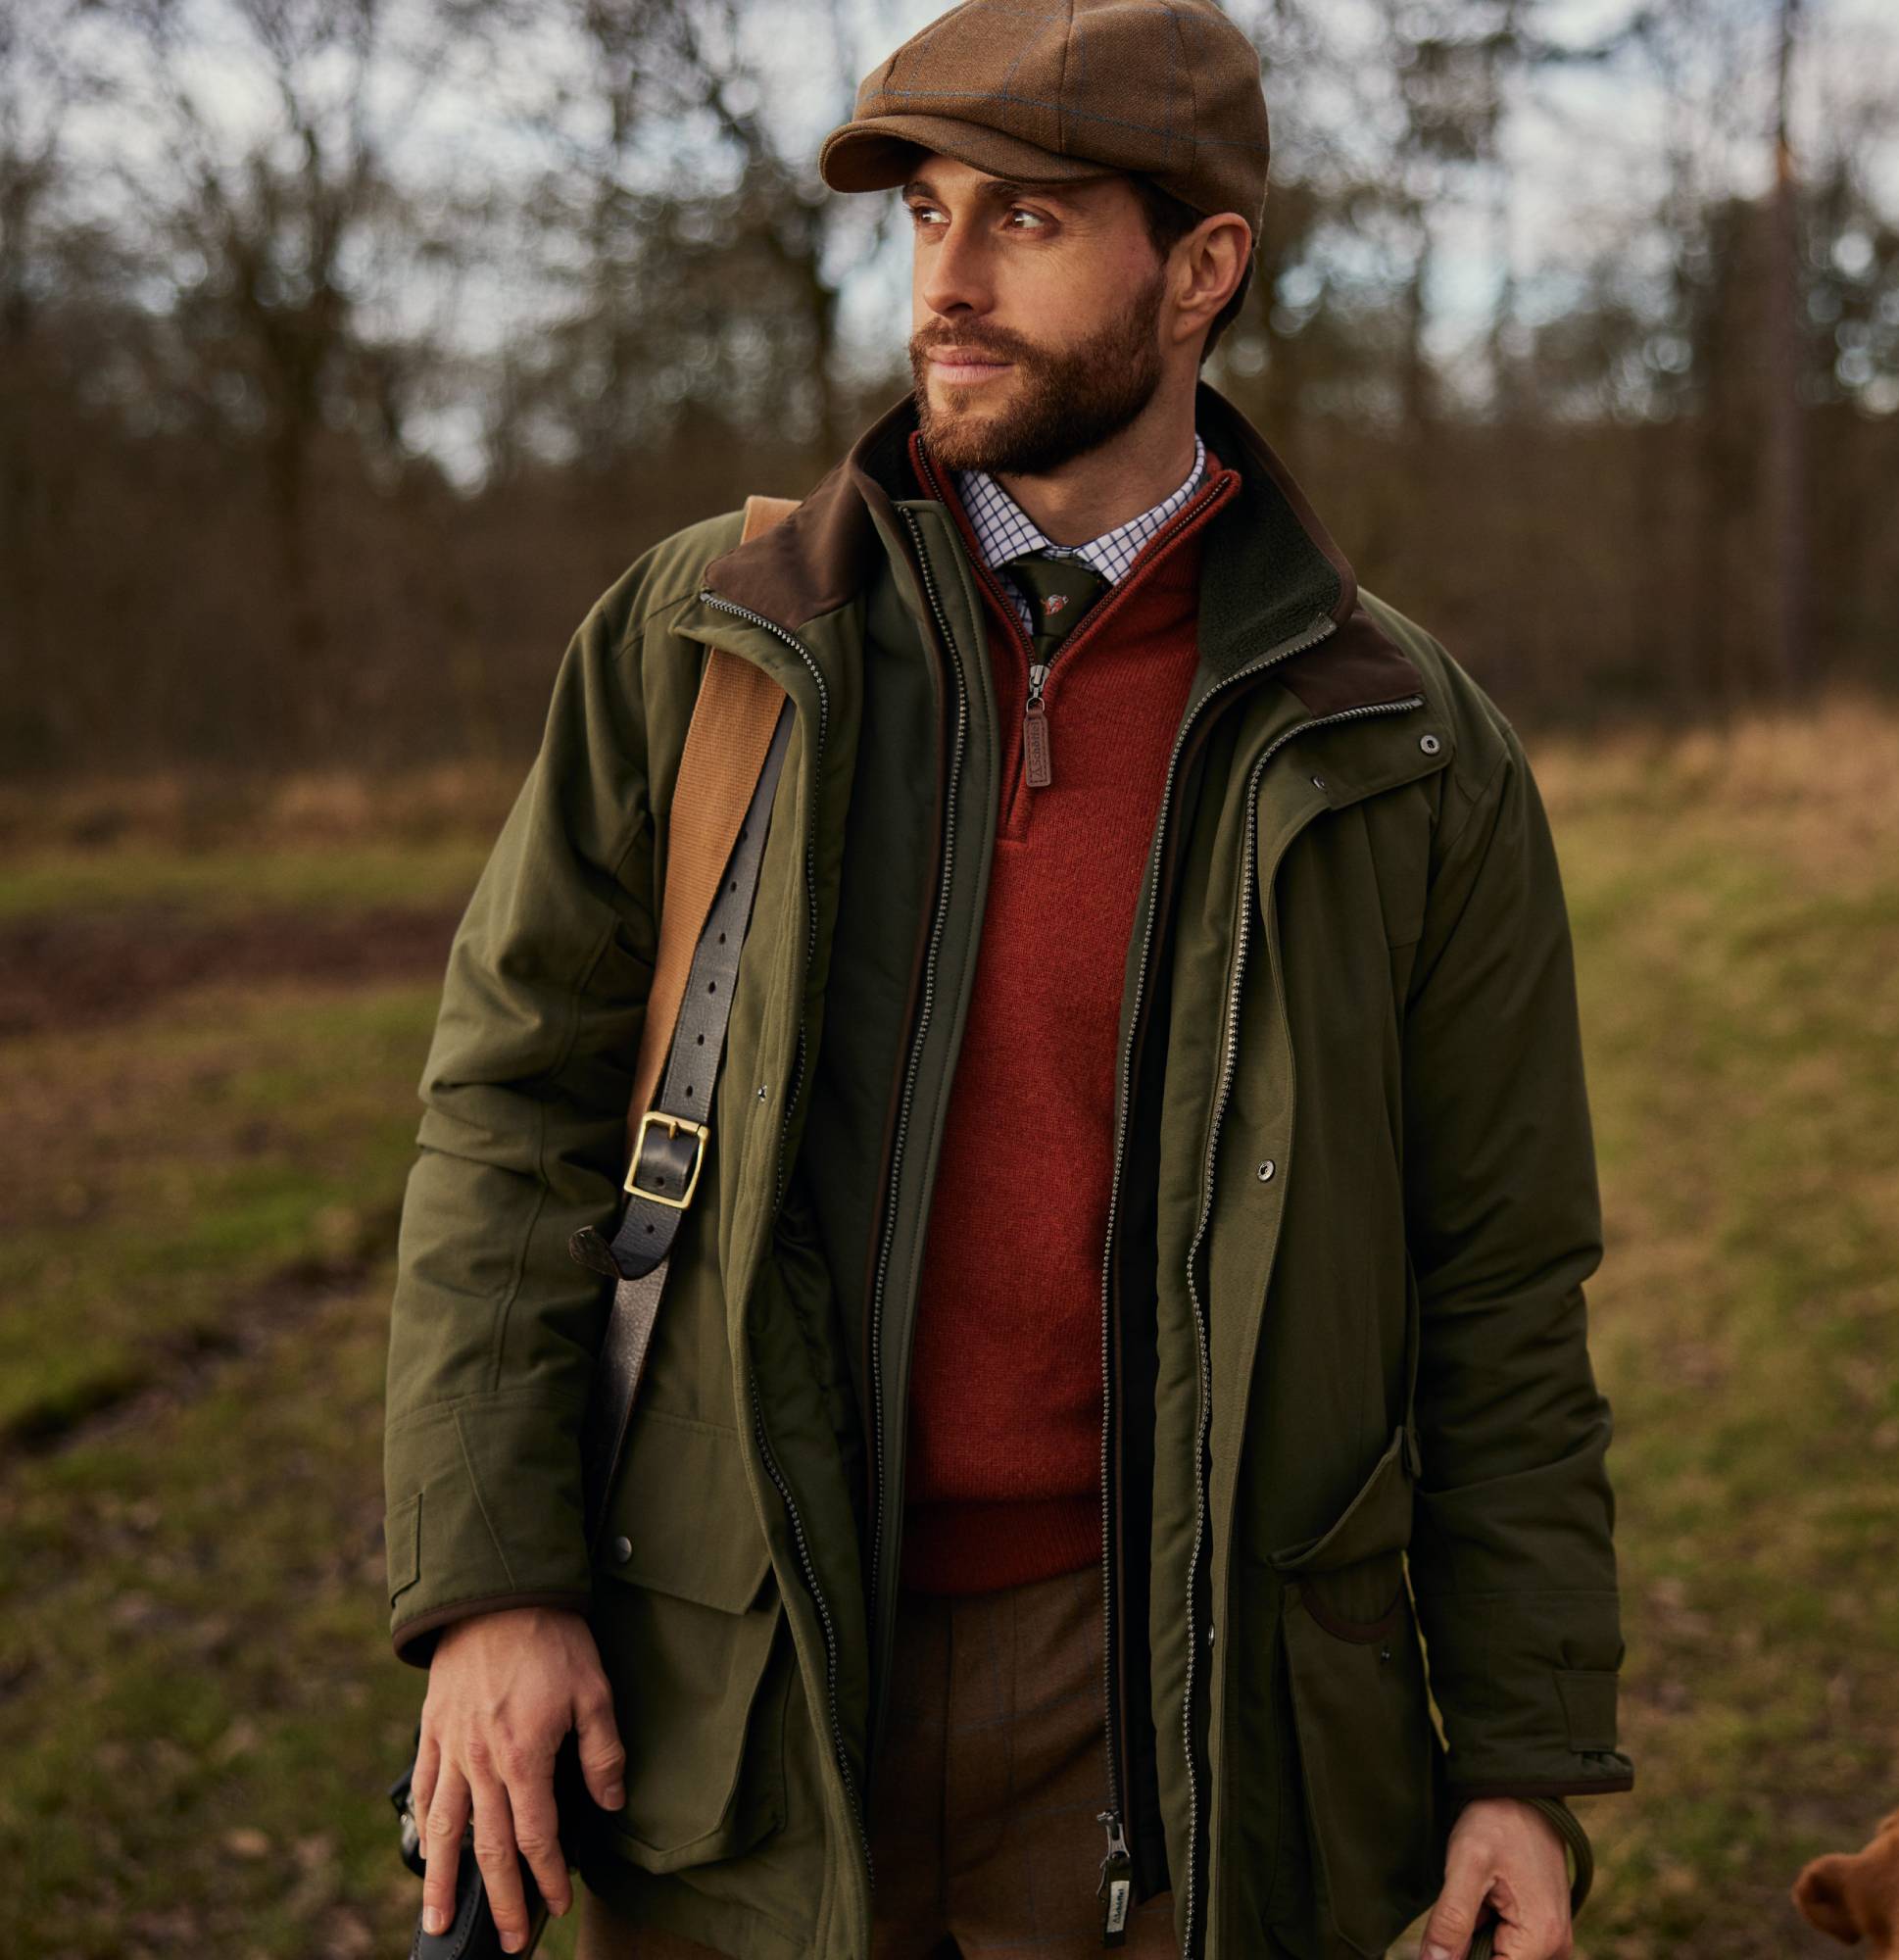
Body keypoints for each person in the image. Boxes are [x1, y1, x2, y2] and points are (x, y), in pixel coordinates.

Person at [381, 1, 1637, 1956]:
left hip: (1190, 1715)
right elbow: (508, 1116)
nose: (945, 284)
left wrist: (1523, 1759)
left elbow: (1500, 1292)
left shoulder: (1399, 745)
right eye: (925, 215)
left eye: (1028, 221)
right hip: (752, 1663)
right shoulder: (710, 647)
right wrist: (491, 1583)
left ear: (1203, 268)